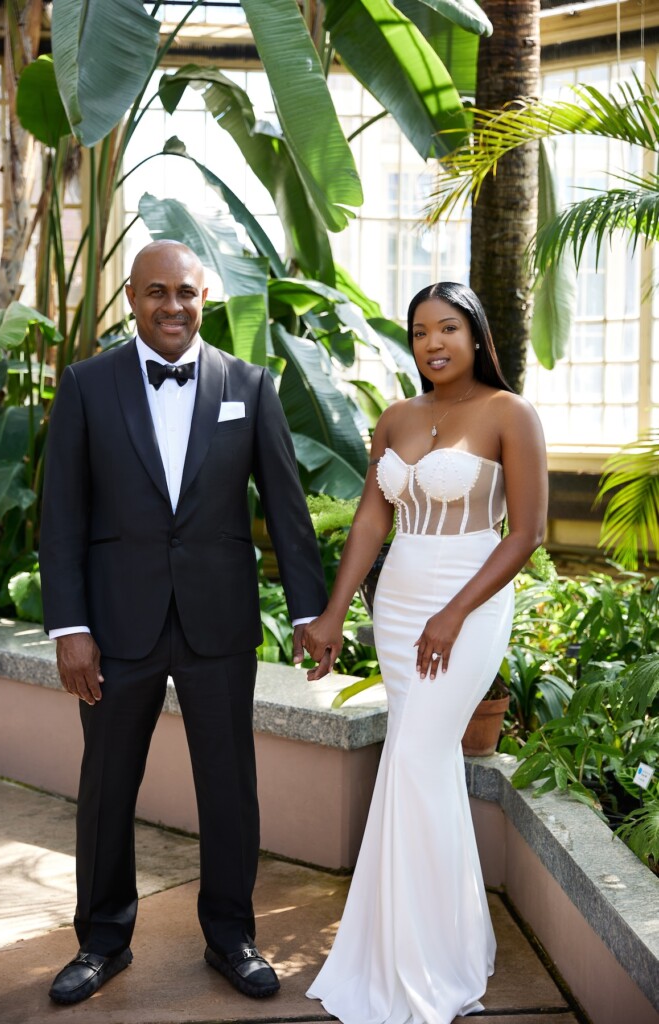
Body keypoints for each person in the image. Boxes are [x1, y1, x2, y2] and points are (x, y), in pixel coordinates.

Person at [39, 240, 328, 1006]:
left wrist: (309, 610)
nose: (173, 306)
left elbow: (286, 508)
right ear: (131, 298)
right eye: (157, 292)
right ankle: (102, 941)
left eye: (188, 293)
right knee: (105, 786)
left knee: (229, 786)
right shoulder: (86, 384)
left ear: (206, 299)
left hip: (218, 621)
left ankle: (231, 937)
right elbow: (61, 516)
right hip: (116, 623)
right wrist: (69, 626)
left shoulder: (250, 384)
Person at [302, 282, 547, 1024]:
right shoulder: (398, 417)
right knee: (423, 765)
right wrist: (334, 611)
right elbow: (374, 519)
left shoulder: (510, 413)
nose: (432, 343)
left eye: (447, 328)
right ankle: (419, 946)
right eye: (418, 332)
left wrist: (452, 612)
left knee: (413, 759)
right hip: (400, 599)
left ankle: (431, 963)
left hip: (466, 602)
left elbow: (526, 534)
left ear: (475, 335)